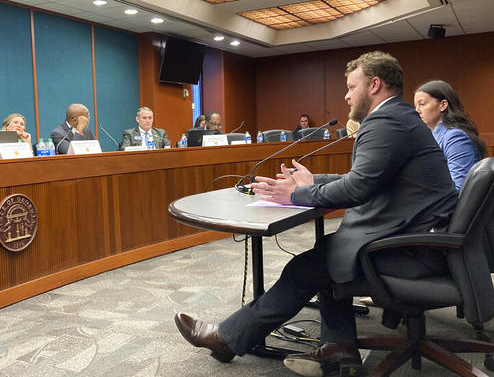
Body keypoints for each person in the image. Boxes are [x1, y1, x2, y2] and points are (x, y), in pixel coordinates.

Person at [174, 51, 458, 376]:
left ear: (375, 84)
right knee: (330, 254)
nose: (347, 95)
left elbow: (357, 189)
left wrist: (295, 193)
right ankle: (341, 349)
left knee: (309, 267)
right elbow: (370, 179)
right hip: (424, 238)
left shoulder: (386, 122)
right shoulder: (401, 118)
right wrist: (314, 182)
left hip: (414, 248)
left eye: (352, 86)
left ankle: (227, 338)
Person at [414, 80, 486, 191]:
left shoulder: (456, 138)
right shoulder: (432, 135)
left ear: (443, 105)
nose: (417, 110)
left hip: (448, 205)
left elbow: (458, 186)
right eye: (416, 105)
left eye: (422, 104)